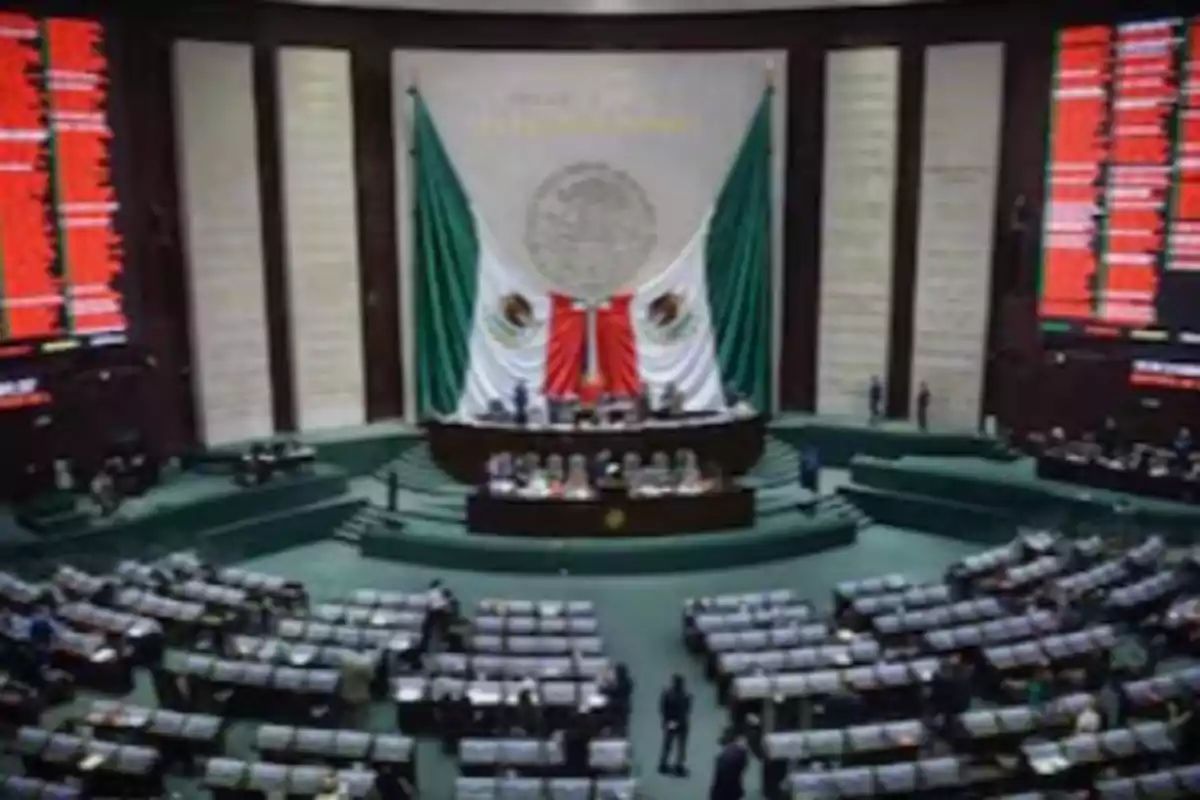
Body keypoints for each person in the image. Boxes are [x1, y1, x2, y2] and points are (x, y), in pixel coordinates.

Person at [658, 674, 692, 776]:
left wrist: (665, 720)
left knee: (668, 743)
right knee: (680, 745)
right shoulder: (686, 695)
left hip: (671, 722)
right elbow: (688, 709)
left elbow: (663, 708)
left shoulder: (667, 694)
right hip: (681, 722)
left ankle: (664, 764)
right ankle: (678, 766)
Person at [709, 726, 750, 800]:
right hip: (731, 789)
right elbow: (742, 768)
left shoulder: (722, 756)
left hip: (719, 790)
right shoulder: (740, 753)